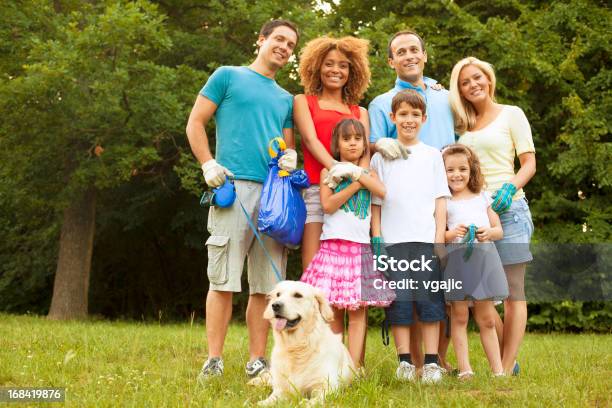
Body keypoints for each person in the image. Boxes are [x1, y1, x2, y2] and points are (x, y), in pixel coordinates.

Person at [185, 19, 299, 381]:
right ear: (261, 39)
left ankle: (257, 360)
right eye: (278, 39)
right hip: (232, 189)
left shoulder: (285, 99)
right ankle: (214, 360)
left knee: (267, 287)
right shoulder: (227, 76)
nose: (284, 47)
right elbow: (195, 123)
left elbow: (285, 145)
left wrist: (290, 157)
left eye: (291, 44)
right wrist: (208, 164)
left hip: (274, 196)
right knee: (222, 280)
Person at [368, 30, 455, 370]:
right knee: (400, 299)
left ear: (425, 54)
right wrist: (377, 235)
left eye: (414, 49)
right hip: (394, 231)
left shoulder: (442, 96)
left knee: (434, 297)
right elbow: (370, 147)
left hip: (429, 222)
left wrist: (440, 233)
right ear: (391, 61)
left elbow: (441, 193)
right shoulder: (380, 103)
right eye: (400, 52)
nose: (409, 55)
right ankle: (409, 361)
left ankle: (436, 362)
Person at [449, 56, 536, 375]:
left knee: (513, 292)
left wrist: (509, 188)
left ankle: (507, 363)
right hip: (475, 217)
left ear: (489, 79)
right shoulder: (462, 126)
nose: (473, 84)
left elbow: (529, 162)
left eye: (477, 78)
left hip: (509, 210)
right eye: (464, 82)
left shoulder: (512, 114)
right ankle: (504, 360)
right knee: (479, 293)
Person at [300, 118, 394, 368]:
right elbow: (328, 205)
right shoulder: (327, 173)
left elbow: (382, 191)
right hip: (332, 249)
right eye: (346, 139)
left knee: (358, 314)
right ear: (337, 144)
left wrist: (357, 174)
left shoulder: (368, 173)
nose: (352, 143)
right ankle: (334, 366)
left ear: (365, 144)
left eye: (357, 139)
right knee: (334, 314)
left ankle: (353, 367)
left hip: (359, 251)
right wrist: (354, 184)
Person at [294, 36, 371, 271]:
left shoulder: (360, 112)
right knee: (314, 268)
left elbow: (365, 154)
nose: (335, 70)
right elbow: (310, 139)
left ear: (353, 70)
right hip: (318, 191)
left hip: (354, 193)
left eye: (343, 65)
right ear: (317, 66)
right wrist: (336, 169)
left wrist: (357, 177)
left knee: (350, 269)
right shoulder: (303, 101)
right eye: (329, 63)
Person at [442, 144, 509, 379]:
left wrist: (489, 233)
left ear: (472, 170)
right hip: (458, 262)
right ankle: (465, 369)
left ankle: (498, 370)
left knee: (487, 318)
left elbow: (498, 229)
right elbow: (439, 236)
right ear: (442, 172)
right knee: (459, 316)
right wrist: (452, 234)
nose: (456, 174)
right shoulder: (444, 201)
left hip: (483, 261)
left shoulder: (483, 196)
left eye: (462, 169)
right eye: (450, 170)